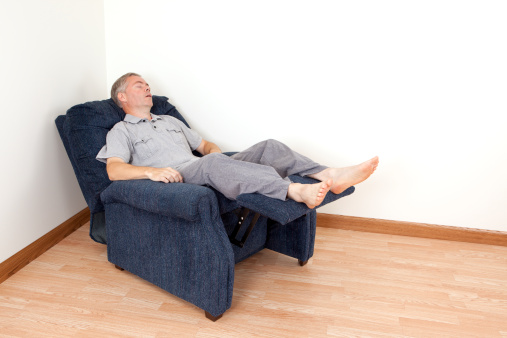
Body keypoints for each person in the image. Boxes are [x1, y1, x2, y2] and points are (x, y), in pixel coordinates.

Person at [96, 73, 379, 209]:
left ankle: (329, 173)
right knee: (213, 165)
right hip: (181, 178)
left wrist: (215, 155)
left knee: (269, 146)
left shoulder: (169, 121)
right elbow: (114, 169)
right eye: (139, 86)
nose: (147, 88)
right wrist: (152, 172)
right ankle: (293, 191)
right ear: (122, 97)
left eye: (147, 85)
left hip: (205, 166)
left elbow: (205, 147)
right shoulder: (121, 131)